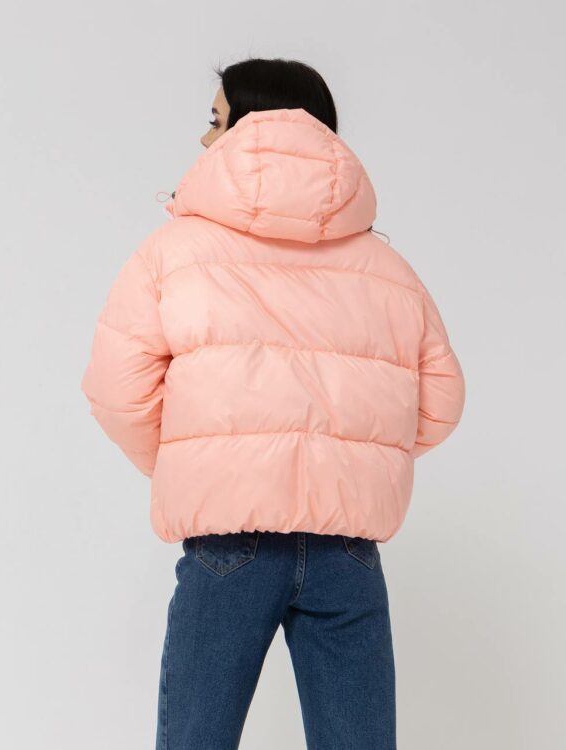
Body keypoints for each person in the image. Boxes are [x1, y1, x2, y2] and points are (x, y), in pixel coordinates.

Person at [80, 57, 466, 750]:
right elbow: (440, 402)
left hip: (229, 542)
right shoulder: (389, 270)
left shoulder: (173, 253)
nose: (205, 139)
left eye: (215, 121)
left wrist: (206, 464)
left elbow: (116, 390)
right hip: (347, 550)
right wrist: (353, 458)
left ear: (250, 131)